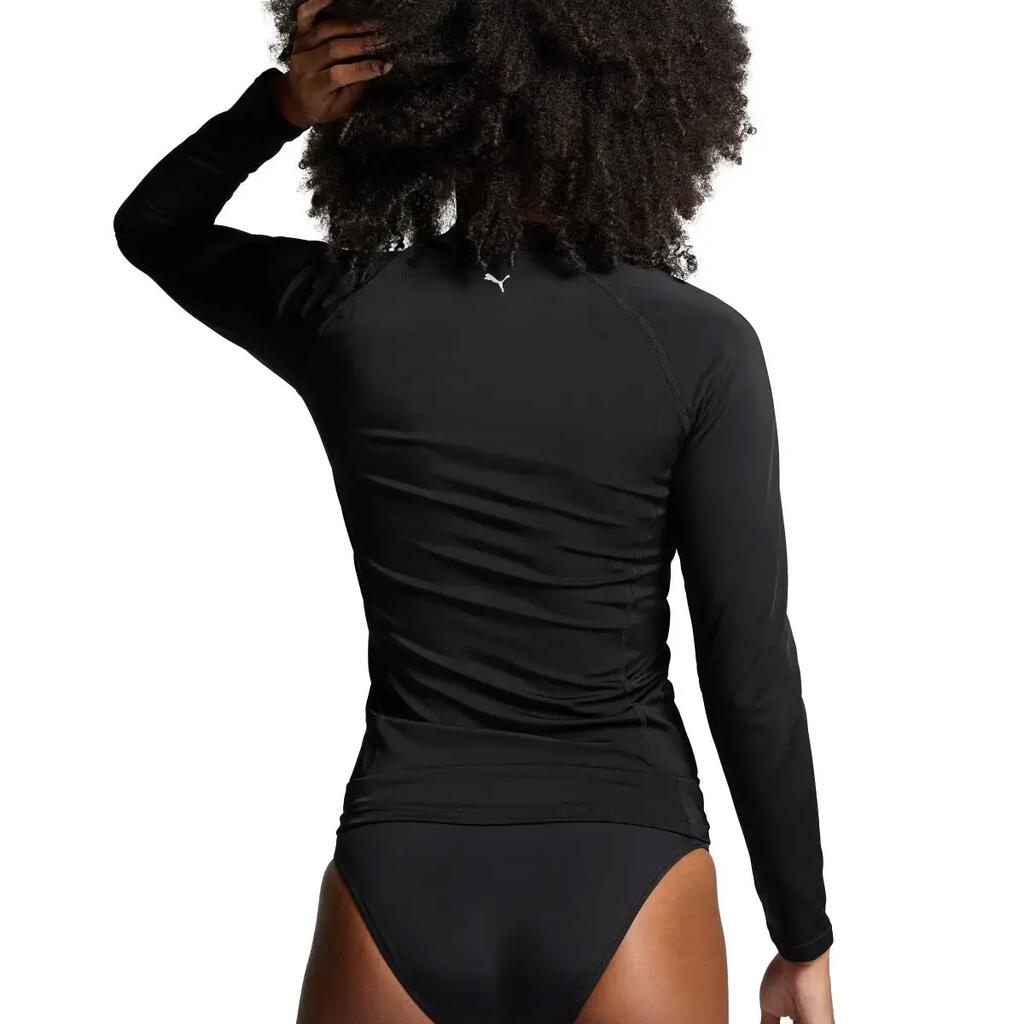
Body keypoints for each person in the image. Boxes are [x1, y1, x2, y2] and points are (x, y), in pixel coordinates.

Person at [113, 1, 835, 1020]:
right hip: (627, 855)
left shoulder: (349, 310)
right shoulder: (701, 346)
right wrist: (801, 934)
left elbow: (154, 228)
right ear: (653, 102)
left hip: (402, 858)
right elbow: (748, 668)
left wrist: (281, 108)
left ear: (424, 93)